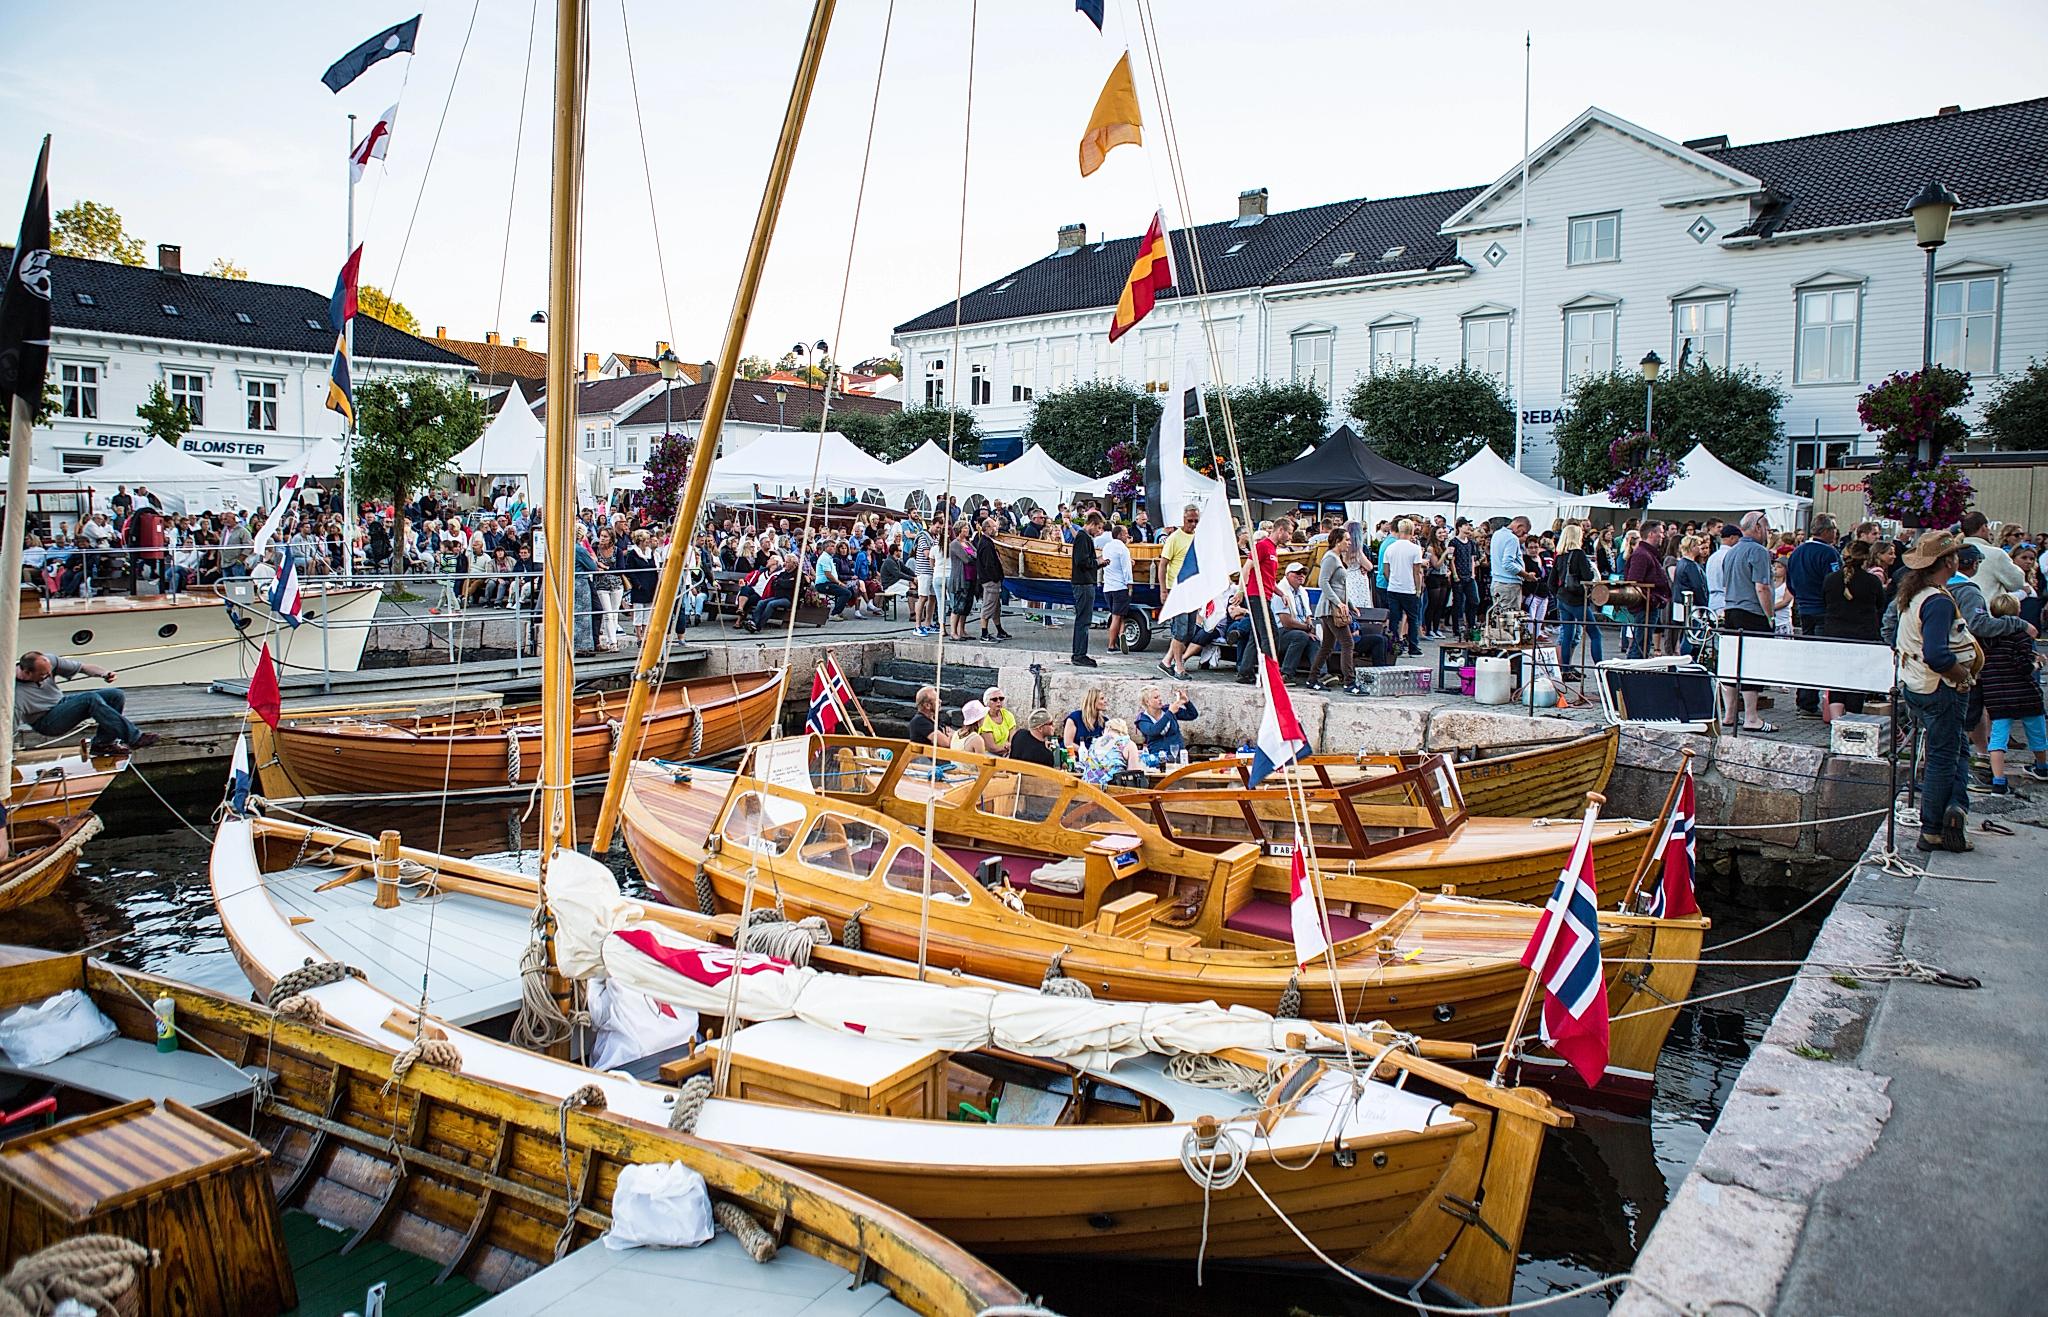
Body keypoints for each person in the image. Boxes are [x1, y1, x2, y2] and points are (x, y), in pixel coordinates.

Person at [1892, 531, 1981, 852]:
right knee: (1946, 755)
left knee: (1955, 748)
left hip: (1917, 684)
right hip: (1940, 686)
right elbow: (1937, 654)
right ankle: (1933, 828)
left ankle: (1954, 808)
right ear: (1949, 561)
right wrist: (1961, 676)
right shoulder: (1938, 601)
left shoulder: (1914, 596)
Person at [14, 652, 157, 753]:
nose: (46, 678)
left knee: (115, 695)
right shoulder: (13, 693)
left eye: (48, 674)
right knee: (90, 698)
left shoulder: (48, 661)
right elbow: (8, 727)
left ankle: (103, 744)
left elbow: (83, 667)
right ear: (26, 673)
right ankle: (134, 738)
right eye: (42, 675)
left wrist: (104, 674)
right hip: (45, 721)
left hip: (61, 703)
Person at [1981, 593, 2048, 793]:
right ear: (2018, 612)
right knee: (2036, 732)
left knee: (1998, 738)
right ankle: (2042, 768)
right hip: (2024, 693)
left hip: (1996, 694)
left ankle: (1999, 782)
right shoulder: (2021, 636)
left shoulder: (1986, 638)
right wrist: (2038, 662)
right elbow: (2024, 666)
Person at [1721, 511, 1780, 733]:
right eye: (1766, 527)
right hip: (1752, 612)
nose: (1767, 532)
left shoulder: (1731, 552)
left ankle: (1729, 714)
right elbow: (1761, 587)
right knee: (1751, 665)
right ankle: (1752, 717)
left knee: (1731, 664)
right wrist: (1770, 615)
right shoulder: (1758, 551)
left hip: (1731, 610)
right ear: (1757, 527)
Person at [1785, 514, 1841, 715]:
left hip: (1803, 608)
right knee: (1821, 657)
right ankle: (1812, 702)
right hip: (1822, 609)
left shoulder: (1797, 552)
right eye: (1834, 529)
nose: (1836, 533)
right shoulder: (1829, 553)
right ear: (1826, 530)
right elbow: (1835, 582)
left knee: (1808, 654)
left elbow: (1790, 582)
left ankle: (1804, 699)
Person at [1310, 525, 1362, 695]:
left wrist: (1351, 605)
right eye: (1346, 540)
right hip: (1331, 609)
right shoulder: (1331, 558)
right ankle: (1349, 682)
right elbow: (1323, 582)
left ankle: (1312, 678)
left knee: (1327, 646)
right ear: (1338, 541)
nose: (1349, 542)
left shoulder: (1337, 558)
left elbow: (1340, 586)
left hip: (1333, 608)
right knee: (1348, 642)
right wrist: (1339, 603)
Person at [1552, 524, 1603, 679]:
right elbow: (1587, 577)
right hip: (1576, 600)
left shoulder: (1560, 555)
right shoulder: (1579, 554)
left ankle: (1565, 669)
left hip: (1563, 598)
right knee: (1595, 634)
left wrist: (1559, 594)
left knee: (1567, 634)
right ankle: (1600, 668)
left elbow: (1551, 581)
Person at [1158, 503, 1202, 678]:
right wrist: (1163, 590)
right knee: (1181, 630)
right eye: (1190, 521)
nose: (1193, 524)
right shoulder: (1174, 538)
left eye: (1196, 521)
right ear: (1183, 519)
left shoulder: (1198, 537)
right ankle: (1179, 666)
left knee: (1189, 631)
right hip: (1177, 589)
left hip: (1192, 588)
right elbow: (1163, 564)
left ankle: (1167, 661)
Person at [1623, 521, 1671, 659]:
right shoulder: (1642, 554)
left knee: (1642, 642)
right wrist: (1650, 599)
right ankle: (1632, 673)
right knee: (1641, 643)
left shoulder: (1647, 553)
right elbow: (1634, 581)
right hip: (1645, 605)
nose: (1663, 536)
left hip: (1650, 603)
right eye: (1660, 533)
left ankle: (1634, 670)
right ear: (1651, 534)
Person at [1379, 519, 1425, 657]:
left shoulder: (1390, 547)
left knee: (1394, 618)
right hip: (1409, 588)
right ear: (1411, 531)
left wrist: (1392, 580)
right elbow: (1416, 571)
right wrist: (1418, 589)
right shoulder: (1415, 549)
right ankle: (1413, 647)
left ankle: (1393, 646)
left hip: (1393, 587)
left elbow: (1386, 570)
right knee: (1412, 618)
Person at [1961, 510, 2026, 600]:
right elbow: (2017, 582)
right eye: (1988, 526)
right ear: (1984, 527)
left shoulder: (1954, 552)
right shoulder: (1996, 554)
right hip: (1987, 610)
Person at [1070, 510, 1103, 667]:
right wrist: (1098, 563)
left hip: (1084, 583)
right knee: (1083, 620)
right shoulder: (1083, 538)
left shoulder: (1083, 537)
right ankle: (1079, 654)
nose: (1099, 532)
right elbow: (1081, 561)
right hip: (1083, 584)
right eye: (1098, 528)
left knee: (1083, 620)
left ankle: (1079, 653)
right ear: (1093, 524)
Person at [1133, 686, 1198, 762]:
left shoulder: (1167, 709)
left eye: (1159, 696)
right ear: (1147, 702)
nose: (1160, 699)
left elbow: (1192, 715)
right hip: (1157, 759)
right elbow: (1153, 731)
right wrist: (1170, 713)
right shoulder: (1142, 719)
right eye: (1156, 697)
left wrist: (1187, 702)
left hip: (1178, 756)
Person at [974, 515, 1008, 642]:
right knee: (988, 606)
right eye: (994, 526)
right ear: (987, 528)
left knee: (995, 606)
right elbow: (989, 564)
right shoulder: (986, 545)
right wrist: (996, 577)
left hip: (991, 580)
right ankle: (984, 633)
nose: (996, 528)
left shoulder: (987, 542)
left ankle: (999, 630)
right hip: (990, 581)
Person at [1101, 523, 1134, 654]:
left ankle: (1121, 633)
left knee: (1119, 615)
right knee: (1116, 616)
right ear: (1120, 535)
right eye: (1126, 533)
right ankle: (1111, 645)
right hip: (1120, 587)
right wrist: (1130, 586)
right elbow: (1127, 570)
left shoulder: (1107, 547)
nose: (1128, 536)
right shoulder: (1123, 549)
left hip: (1107, 587)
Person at [1489, 515, 1532, 615]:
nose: (1523, 535)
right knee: (1509, 622)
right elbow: (1507, 564)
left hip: (1496, 582)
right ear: (1519, 526)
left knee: (1498, 620)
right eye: (1524, 532)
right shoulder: (1512, 538)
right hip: (1509, 585)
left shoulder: (1497, 534)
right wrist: (1526, 575)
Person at [1064, 687, 1109, 754]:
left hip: (1097, 758)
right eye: (1102, 699)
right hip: (1075, 756)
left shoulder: (1104, 721)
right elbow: (1068, 744)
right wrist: (1086, 752)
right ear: (1092, 701)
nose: (1105, 701)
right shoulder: (1075, 718)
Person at [978, 685, 1017, 753]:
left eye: (1001, 699)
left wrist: (1010, 747)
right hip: (989, 754)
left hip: (1007, 751)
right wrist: (1008, 747)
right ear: (987, 702)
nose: (998, 701)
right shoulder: (984, 718)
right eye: (994, 699)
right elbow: (992, 748)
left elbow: (1013, 740)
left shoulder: (1008, 715)